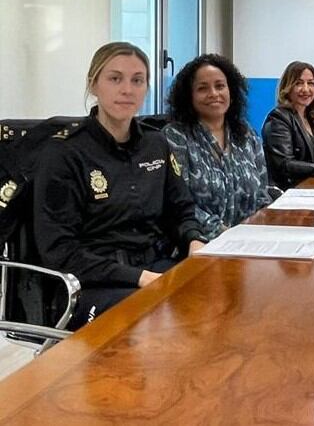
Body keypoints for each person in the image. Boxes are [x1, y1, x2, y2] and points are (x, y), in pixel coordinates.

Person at [33, 42, 204, 328]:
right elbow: (60, 250)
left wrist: (194, 240)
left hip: (156, 267)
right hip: (95, 283)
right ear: (93, 84)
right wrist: (137, 278)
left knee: (217, 300)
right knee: (157, 323)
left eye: (137, 80)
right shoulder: (64, 153)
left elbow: (181, 210)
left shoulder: (156, 144)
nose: (127, 89)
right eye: (115, 79)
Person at [163, 54, 270, 241]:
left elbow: (262, 195)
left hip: (251, 243)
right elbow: (178, 204)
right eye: (202, 88)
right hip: (198, 244)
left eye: (220, 86)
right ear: (189, 96)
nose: (214, 94)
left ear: (231, 90)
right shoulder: (175, 137)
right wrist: (226, 235)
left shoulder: (246, 134)